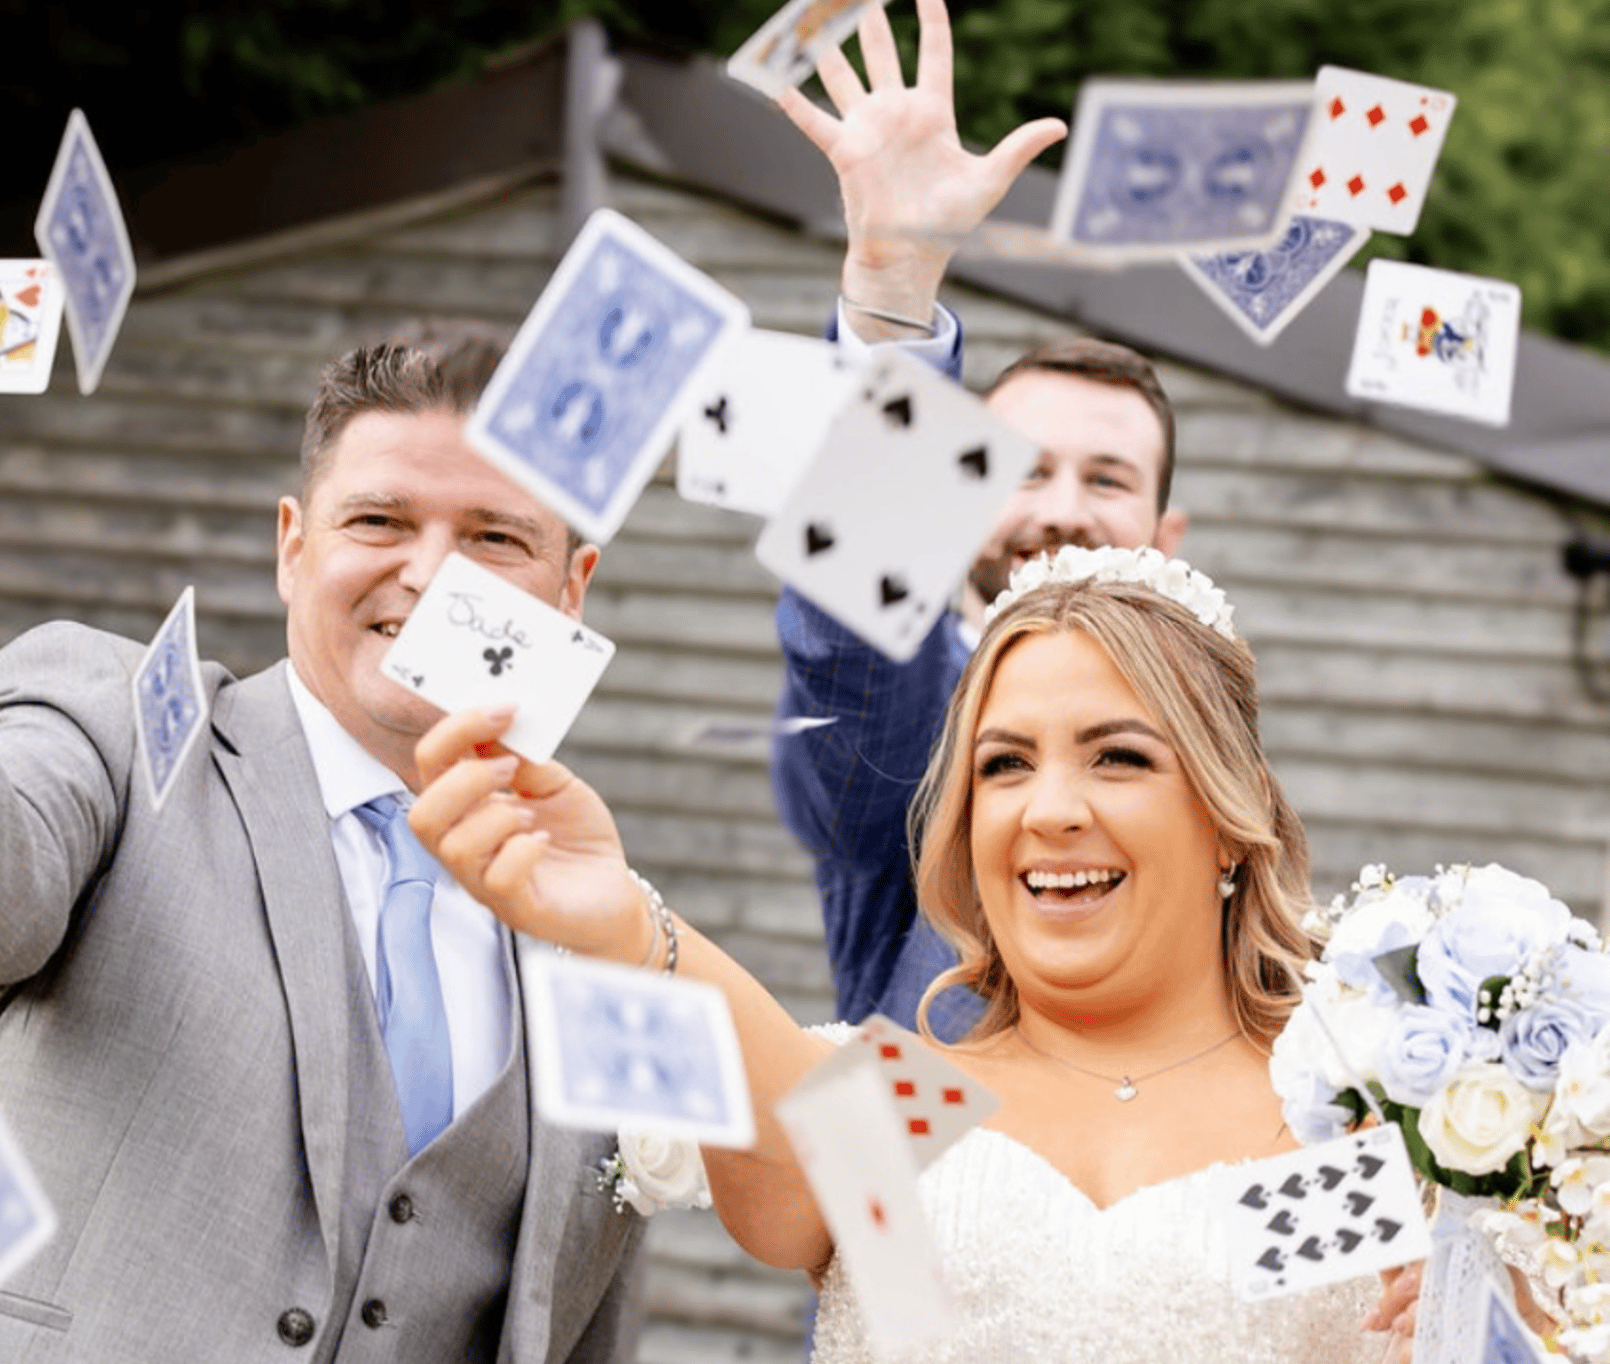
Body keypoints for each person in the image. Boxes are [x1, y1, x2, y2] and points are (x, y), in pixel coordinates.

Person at [0, 323, 646, 1362]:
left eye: (493, 536)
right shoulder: (121, 728)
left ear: (568, 588)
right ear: (292, 549)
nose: (431, 571)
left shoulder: (599, 928)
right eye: (379, 519)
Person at [408, 545, 1428, 1361]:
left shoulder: (1344, 1125)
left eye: (1118, 756)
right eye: (1004, 764)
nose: (1050, 810)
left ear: (1227, 812)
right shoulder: (910, 1110)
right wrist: (622, 924)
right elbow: (746, 1079)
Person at [767, 0, 1189, 1041]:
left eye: (1104, 477)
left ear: (1163, 534)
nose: (1057, 511)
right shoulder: (892, 733)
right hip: (909, 1182)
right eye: (1024, 469)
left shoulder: (1210, 747)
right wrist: (894, 289)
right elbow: (847, 648)